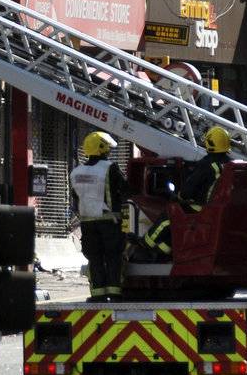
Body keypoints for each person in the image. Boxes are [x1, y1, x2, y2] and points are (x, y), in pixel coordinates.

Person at [137, 125, 233, 260]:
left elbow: (188, 191)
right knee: (178, 221)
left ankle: (146, 244)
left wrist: (178, 197)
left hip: (201, 207)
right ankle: (163, 250)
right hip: (219, 208)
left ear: (209, 142)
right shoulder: (230, 164)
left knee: (171, 213)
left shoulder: (207, 165)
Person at [70, 131, 127, 300]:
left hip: (87, 223)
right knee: (113, 257)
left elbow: (76, 196)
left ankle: (97, 295)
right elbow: (125, 190)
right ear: (102, 148)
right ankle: (114, 293)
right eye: (107, 147)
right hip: (110, 222)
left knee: (94, 258)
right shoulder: (110, 168)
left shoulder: (76, 172)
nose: (109, 150)